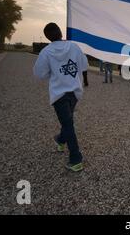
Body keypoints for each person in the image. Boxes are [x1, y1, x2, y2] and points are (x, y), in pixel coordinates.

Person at [33, 23, 88, 172]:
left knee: (68, 124)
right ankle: (60, 139)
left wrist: (54, 71)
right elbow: (84, 66)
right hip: (75, 92)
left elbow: (39, 74)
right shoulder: (74, 46)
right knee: (68, 121)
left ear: (47, 36)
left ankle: (76, 159)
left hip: (59, 94)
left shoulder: (46, 52)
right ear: (60, 32)